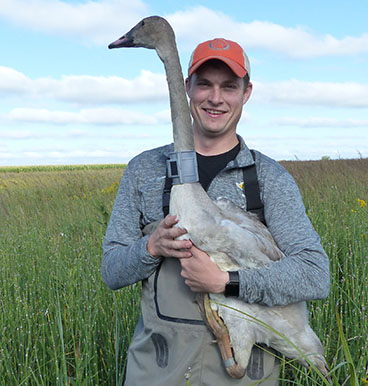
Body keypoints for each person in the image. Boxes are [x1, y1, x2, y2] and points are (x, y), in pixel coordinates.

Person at [102, 38, 330, 385]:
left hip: (244, 376)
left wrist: (227, 282)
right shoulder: (144, 170)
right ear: (186, 87)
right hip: (158, 372)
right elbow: (111, 271)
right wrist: (151, 248)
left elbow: (314, 274)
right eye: (204, 84)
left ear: (246, 92)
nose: (216, 98)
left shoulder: (268, 179)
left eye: (229, 86)